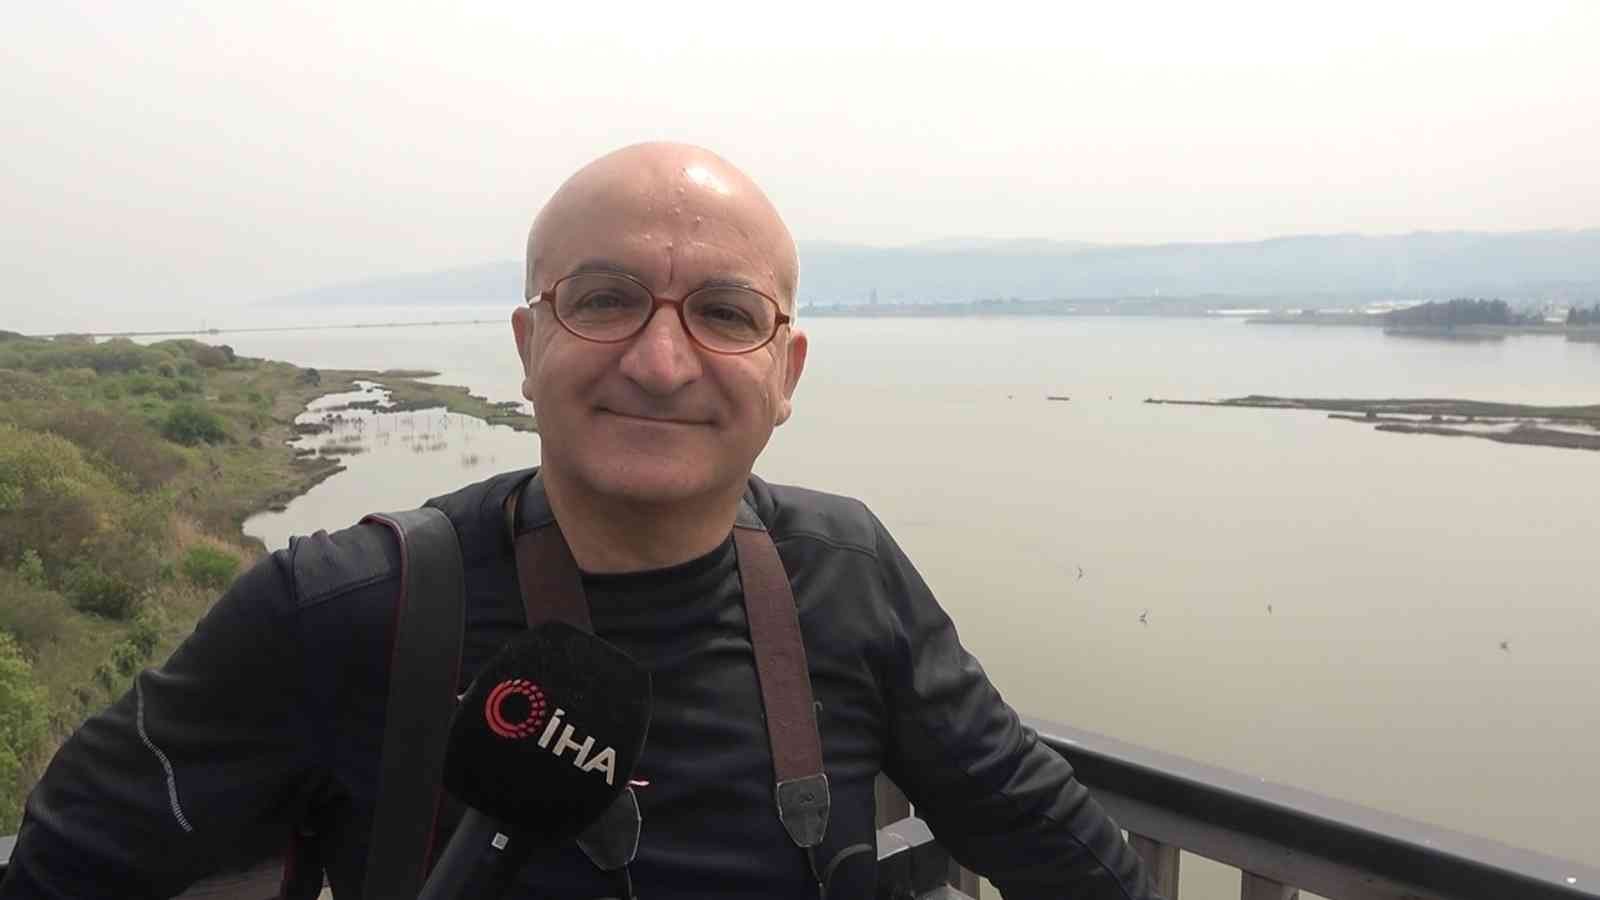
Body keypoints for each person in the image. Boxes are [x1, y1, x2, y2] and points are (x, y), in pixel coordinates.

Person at [2, 143, 1161, 899]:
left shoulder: (847, 572)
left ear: (786, 370)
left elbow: (1069, 859)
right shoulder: (345, 607)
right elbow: (66, 866)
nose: (660, 361)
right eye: (605, 300)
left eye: (725, 314)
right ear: (528, 345)